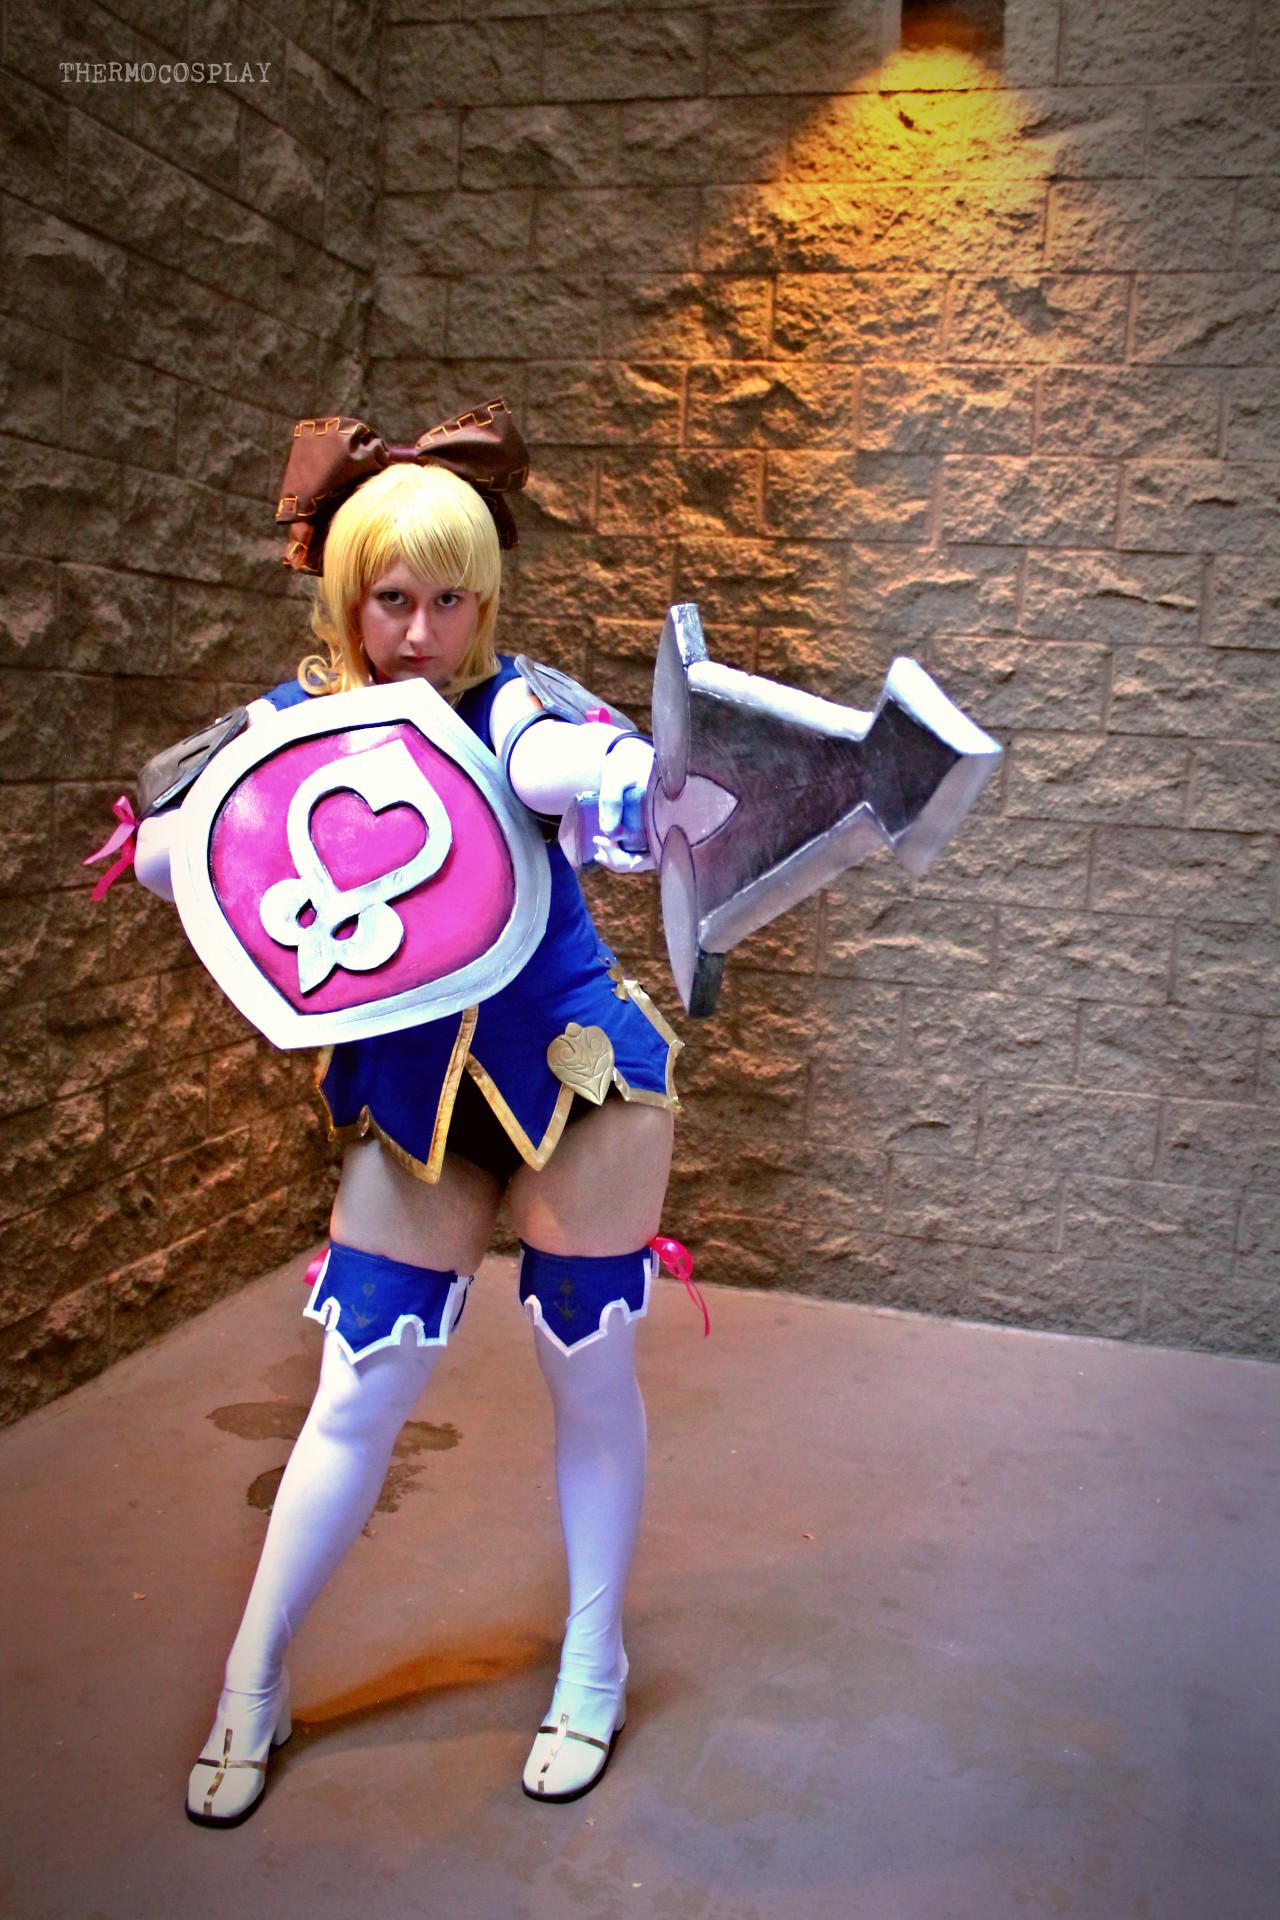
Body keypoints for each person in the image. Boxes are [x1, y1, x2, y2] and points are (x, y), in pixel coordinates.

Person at [131, 403, 684, 1824]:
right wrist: (185, 836)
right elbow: (188, 847)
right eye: (394, 600)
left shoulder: (521, 706)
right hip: (415, 1103)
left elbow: (569, 773)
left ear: (485, 600)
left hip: (576, 1081)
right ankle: (251, 1679)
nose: (424, 630)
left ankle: (593, 1663)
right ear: (349, 598)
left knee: (587, 1376)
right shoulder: (293, 726)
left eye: (452, 600)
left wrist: (627, 779)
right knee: (357, 1390)